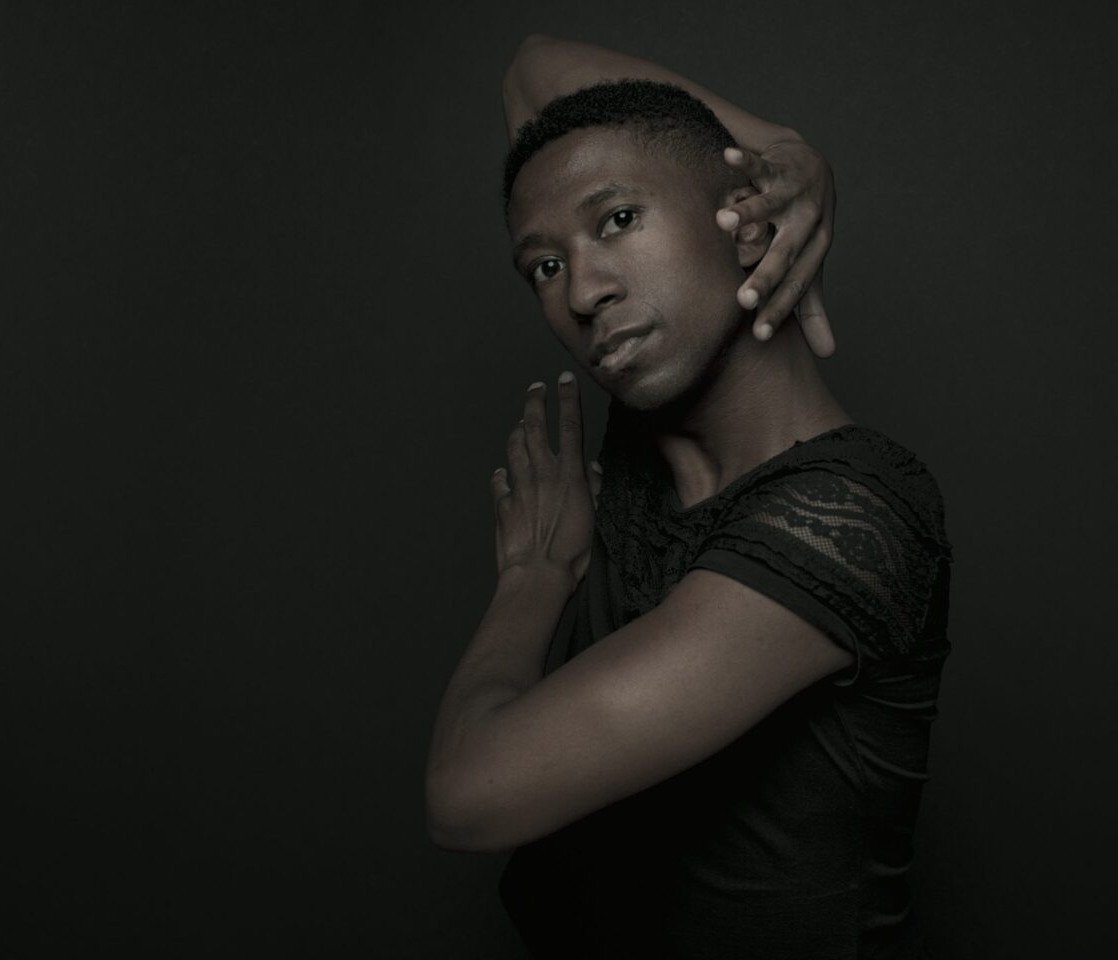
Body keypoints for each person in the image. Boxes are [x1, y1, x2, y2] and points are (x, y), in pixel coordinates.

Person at [425, 34, 954, 960]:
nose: (583, 291)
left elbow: (470, 795)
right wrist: (791, 147)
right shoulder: (657, 419)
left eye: (619, 219)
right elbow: (533, 73)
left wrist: (534, 579)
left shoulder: (849, 515)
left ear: (746, 219)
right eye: (544, 266)